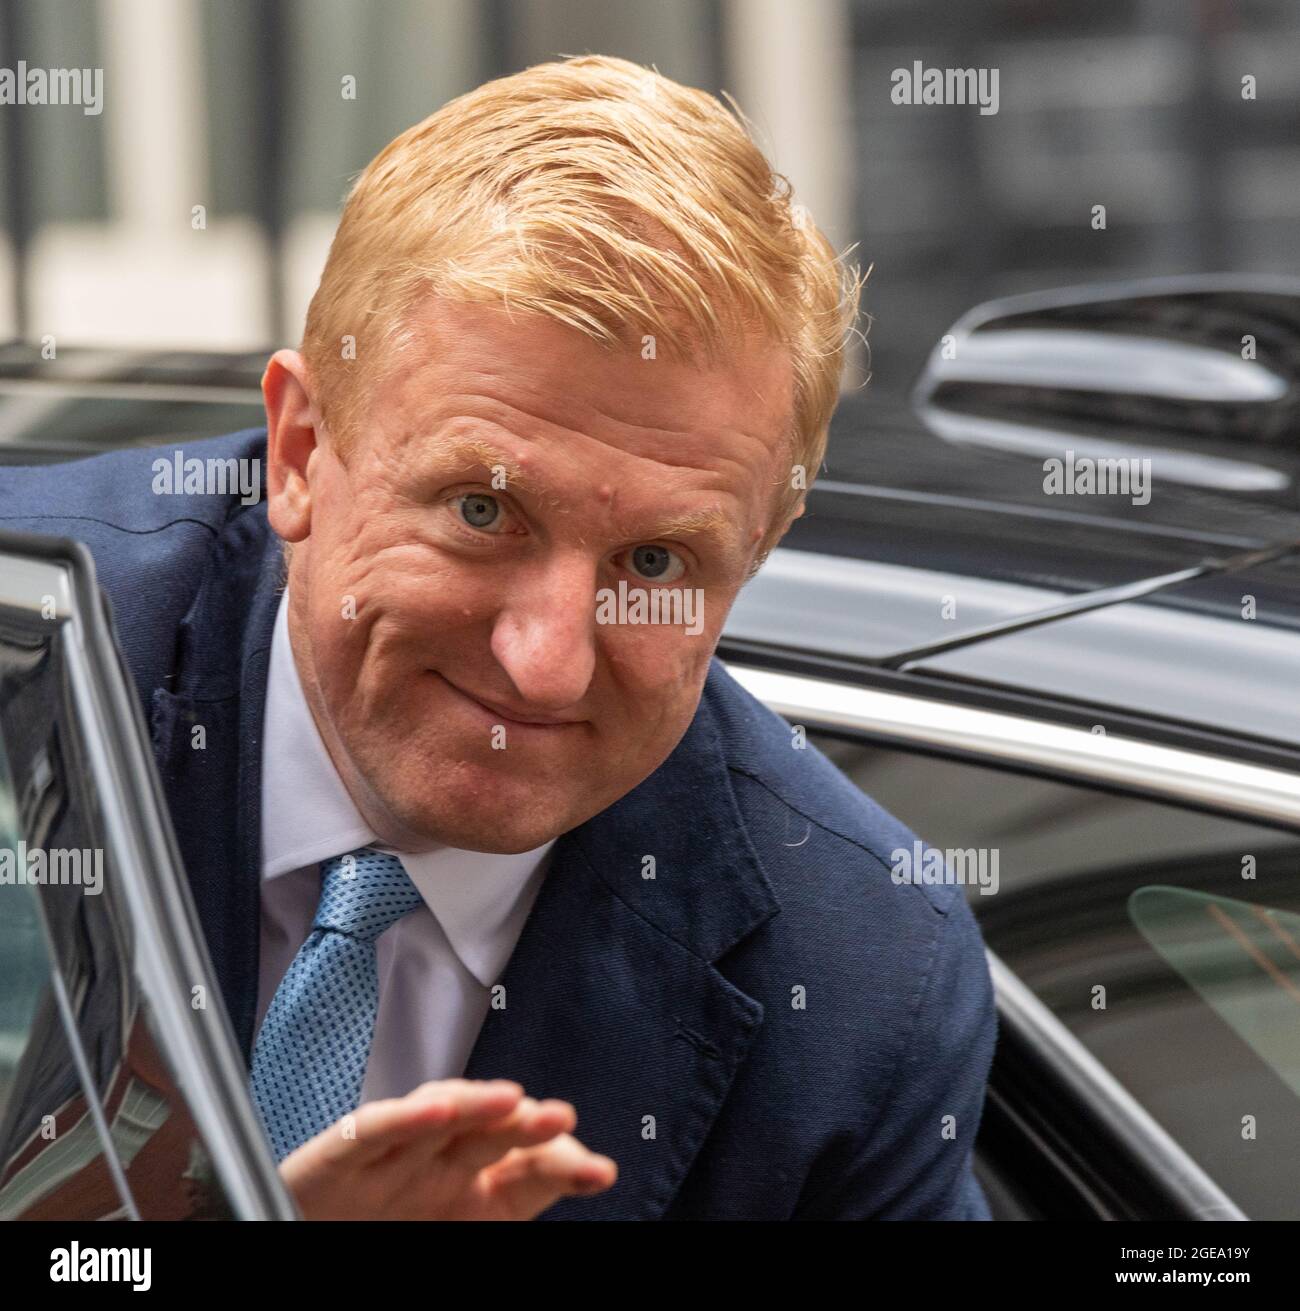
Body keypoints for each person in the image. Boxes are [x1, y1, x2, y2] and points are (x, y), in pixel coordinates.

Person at [0, 54, 996, 1220]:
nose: (547, 660)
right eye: (483, 512)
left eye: (657, 563)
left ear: (756, 553)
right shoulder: (27, 648)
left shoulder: (860, 979)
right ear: (302, 452)